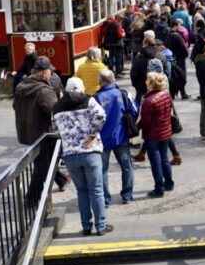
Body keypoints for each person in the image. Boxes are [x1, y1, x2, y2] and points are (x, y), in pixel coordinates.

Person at [52, 77, 111, 235]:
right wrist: (92, 134)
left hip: (71, 155)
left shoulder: (56, 107)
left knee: (82, 191)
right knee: (96, 190)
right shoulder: (89, 101)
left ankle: (86, 226)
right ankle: (101, 226)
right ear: (81, 88)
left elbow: (55, 130)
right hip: (91, 152)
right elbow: (101, 116)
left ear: (66, 89)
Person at [13, 56, 68, 205]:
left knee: (45, 162)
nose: (51, 73)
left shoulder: (21, 86)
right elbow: (56, 111)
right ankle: (32, 197)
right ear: (44, 74)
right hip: (44, 134)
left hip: (28, 132)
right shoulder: (45, 91)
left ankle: (61, 179)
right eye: (50, 71)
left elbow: (14, 106)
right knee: (42, 167)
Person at [94, 70, 137, 206]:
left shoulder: (96, 98)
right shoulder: (123, 94)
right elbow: (134, 111)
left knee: (102, 170)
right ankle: (127, 195)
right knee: (126, 166)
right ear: (113, 79)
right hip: (121, 136)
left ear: (101, 81)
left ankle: (105, 199)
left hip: (103, 139)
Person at [137, 72, 174, 198]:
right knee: (164, 157)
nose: (145, 81)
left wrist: (138, 126)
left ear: (151, 83)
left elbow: (145, 121)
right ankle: (168, 183)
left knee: (156, 162)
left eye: (147, 80)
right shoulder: (166, 94)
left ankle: (159, 188)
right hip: (165, 131)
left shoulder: (149, 100)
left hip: (152, 135)